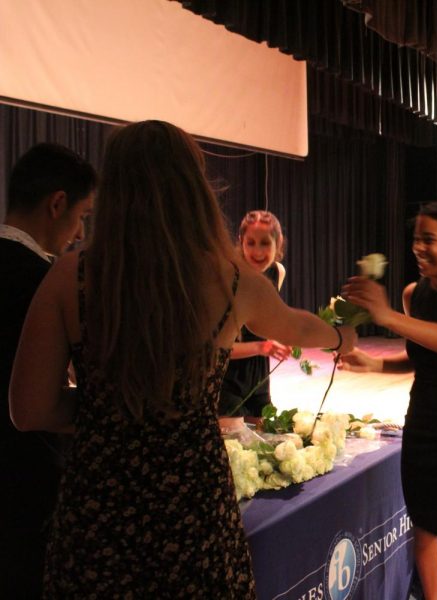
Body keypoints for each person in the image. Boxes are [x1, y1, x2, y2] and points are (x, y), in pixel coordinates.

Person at [9, 121, 357, 597]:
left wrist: (111, 414)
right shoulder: (230, 280)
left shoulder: (69, 276)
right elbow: (298, 327)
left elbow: (29, 411)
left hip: (99, 502)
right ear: (193, 186)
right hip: (194, 502)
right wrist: (344, 336)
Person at [340, 200, 437, 600]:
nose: (419, 247)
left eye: (430, 239)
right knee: (424, 541)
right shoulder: (416, 294)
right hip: (423, 427)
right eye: (416, 239)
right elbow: (422, 356)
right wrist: (371, 365)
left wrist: (387, 316)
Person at [1, 143, 96, 598]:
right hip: (24, 482)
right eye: (82, 216)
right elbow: (39, 405)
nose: (79, 233)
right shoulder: (51, 280)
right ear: (57, 204)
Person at [219, 210, 292, 423]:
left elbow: (266, 324)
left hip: (259, 379)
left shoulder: (277, 272)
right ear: (240, 241)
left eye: (265, 243)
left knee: (267, 444)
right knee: (236, 445)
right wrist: (261, 347)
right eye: (251, 243)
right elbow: (218, 349)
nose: (257, 251)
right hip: (226, 380)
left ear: (278, 243)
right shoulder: (228, 275)